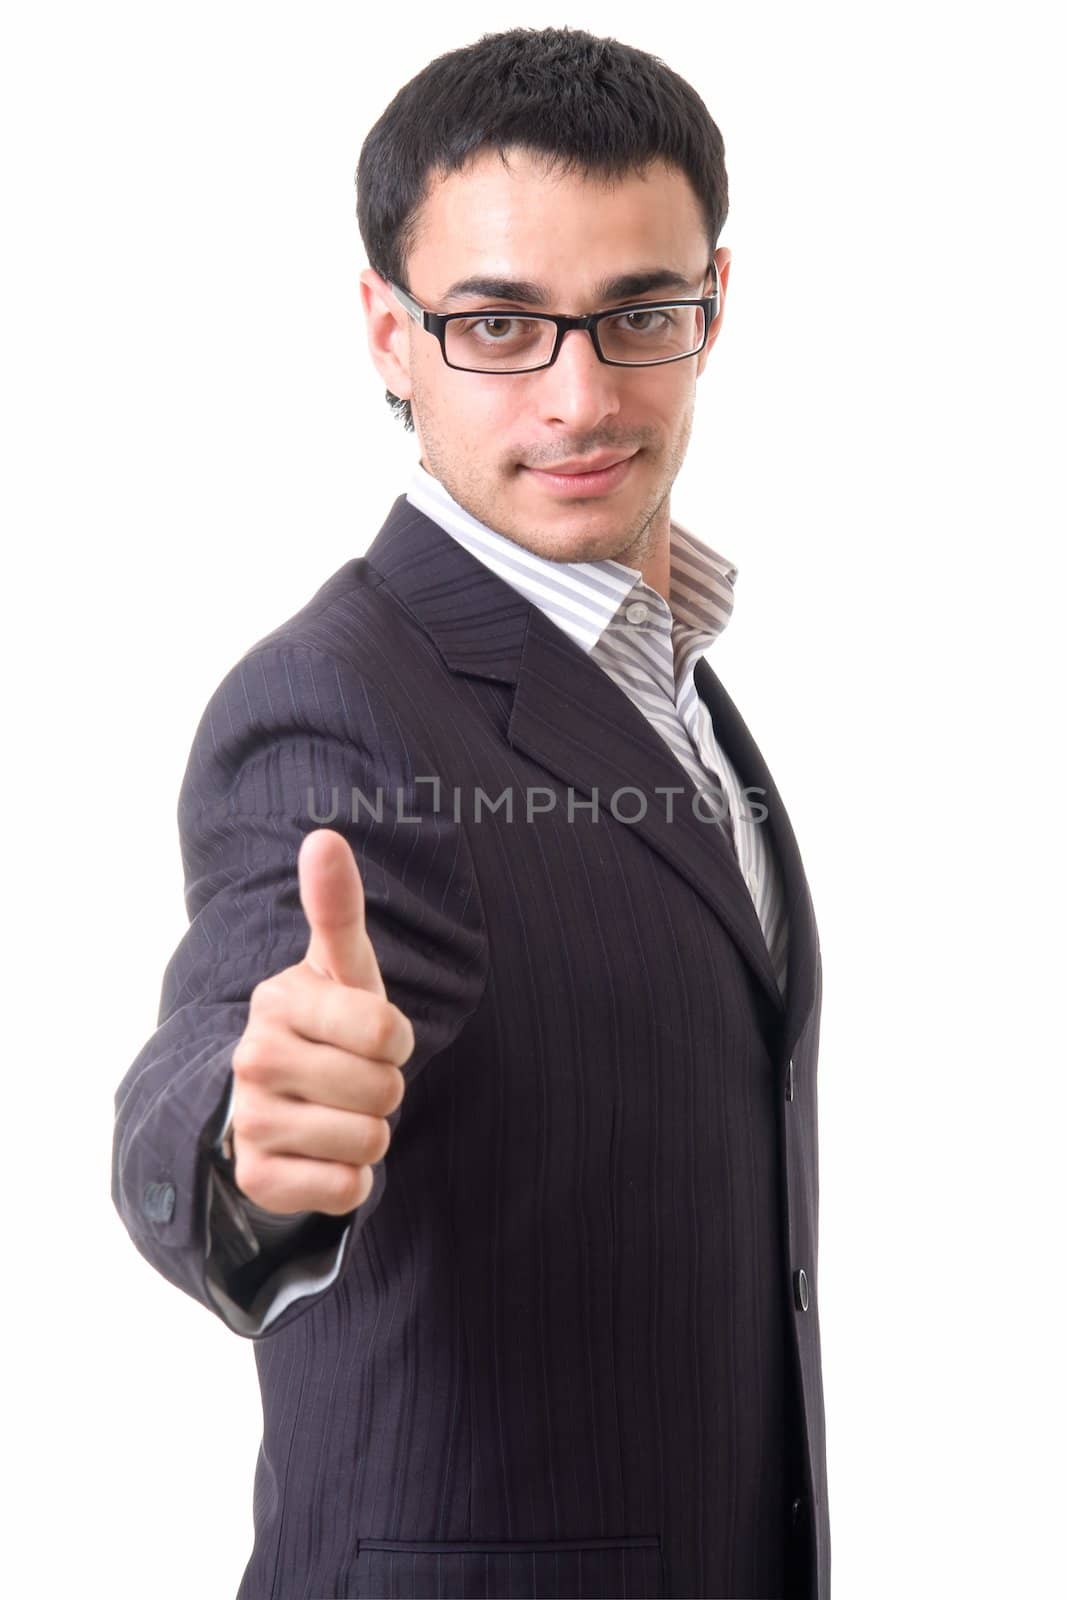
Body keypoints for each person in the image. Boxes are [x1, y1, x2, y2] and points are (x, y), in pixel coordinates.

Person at [111, 25, 829, 1600]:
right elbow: (228, 1058)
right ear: (388, 330)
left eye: (640, 312)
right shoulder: (338, 704)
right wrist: (251, 1145)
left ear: (717, 301)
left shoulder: (669, 677)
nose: (581, 395)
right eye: (498, 322)